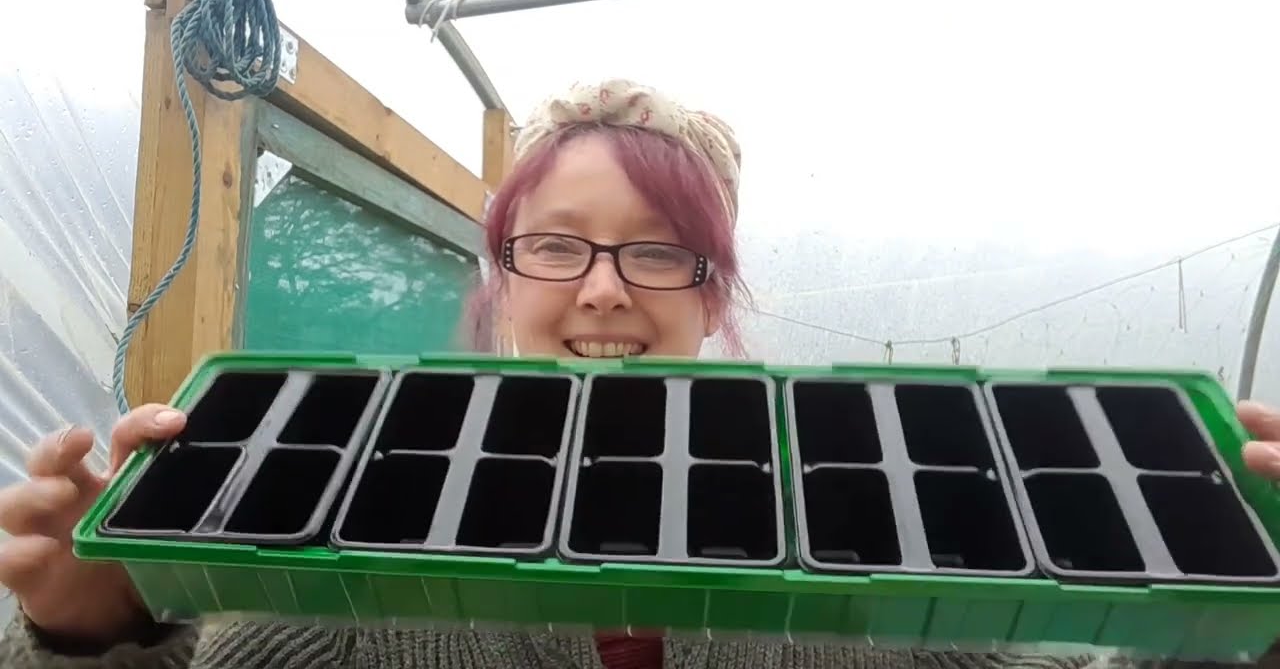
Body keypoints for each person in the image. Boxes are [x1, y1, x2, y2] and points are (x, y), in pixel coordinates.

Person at [0, 78, 1277, 669]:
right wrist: (89, 627)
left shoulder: (879, 582)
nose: (603, 287)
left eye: (659, 253)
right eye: (555, 244)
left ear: (712, 293)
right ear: (497, 271)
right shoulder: (333, 559)